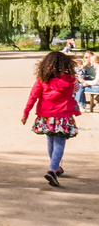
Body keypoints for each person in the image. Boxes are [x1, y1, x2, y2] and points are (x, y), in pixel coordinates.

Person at [22, 51, 80, 186]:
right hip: (63, 115)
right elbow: (76, 90)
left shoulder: (42, 79)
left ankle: (56, 167)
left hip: (46, 115)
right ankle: (53, 170)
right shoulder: (71, 79)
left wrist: (26, 113)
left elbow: (33, 96)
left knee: (51, 140)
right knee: (60, 142)